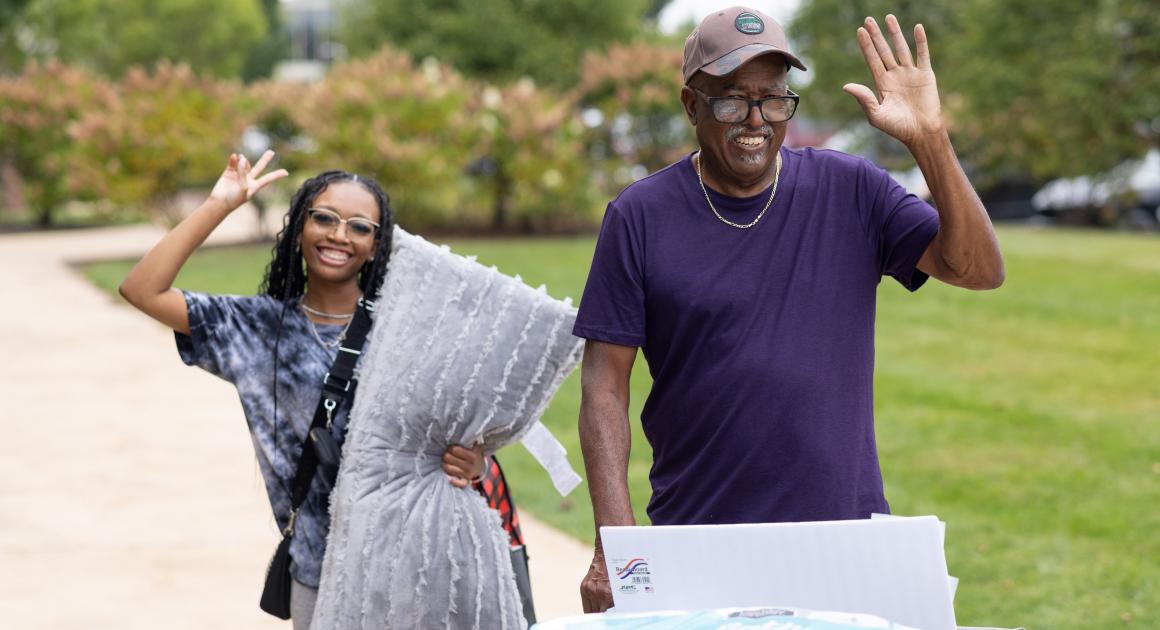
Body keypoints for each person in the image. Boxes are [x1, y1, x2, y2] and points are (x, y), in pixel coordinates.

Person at [573, 7, 1004, 612]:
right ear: (690, 104)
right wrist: (614, 547)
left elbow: (978, 270)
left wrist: (929, 140)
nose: (756, 120)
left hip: (841, 539)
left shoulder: (852, 189)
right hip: (698, 539)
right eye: (731, 100)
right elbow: (604, 384)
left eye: (773, 99)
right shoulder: (639, 217)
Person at [119, 152, 523, 627]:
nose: (338, 235)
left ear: (376, 246)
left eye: (359, 227)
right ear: (299, 230)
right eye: (324, 218)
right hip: (320, 577)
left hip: (418, 571)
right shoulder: (255, 330)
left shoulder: (410, 332)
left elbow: (456, 439)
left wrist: (473, 461)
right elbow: (141, 289)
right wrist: (218, 206)